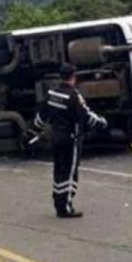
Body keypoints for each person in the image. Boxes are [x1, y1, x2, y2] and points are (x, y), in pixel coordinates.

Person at [34, 63, 106, 218]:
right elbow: (86, 116)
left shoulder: (51, 93)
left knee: (59, 171)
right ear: (73, 77)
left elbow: (41, 116)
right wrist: (101, 122)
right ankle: (65, 207)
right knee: (70, 173)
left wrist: (35, 130)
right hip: (70, 140)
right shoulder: (74, 96)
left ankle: (58, 203)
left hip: (55, 138)